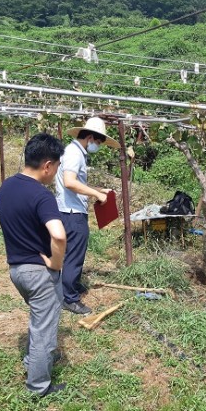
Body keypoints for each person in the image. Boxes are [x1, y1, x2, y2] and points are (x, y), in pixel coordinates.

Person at [0, 133, 67, 396]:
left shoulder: (6, 187)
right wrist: (56, 264)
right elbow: (59, 234)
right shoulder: (42, 195)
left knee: (39, 322)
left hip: (17, 270)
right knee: (45, 331)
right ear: (47, 165)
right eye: (57, 168)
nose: (55, 174)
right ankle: (38, 386)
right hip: (39, 273)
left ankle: (34, 360)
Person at [55, 117, 120, 315]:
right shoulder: (74, 153)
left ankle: (69, 286)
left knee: (69, 254)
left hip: (68, 210)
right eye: (98, 143)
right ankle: (70, 298)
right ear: (90, 138)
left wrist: (99, 189)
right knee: (74, 255)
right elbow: (70, 182)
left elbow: (77, 182)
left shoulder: (75, 152)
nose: (98, 147)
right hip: (72, 213)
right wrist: (97, 194)